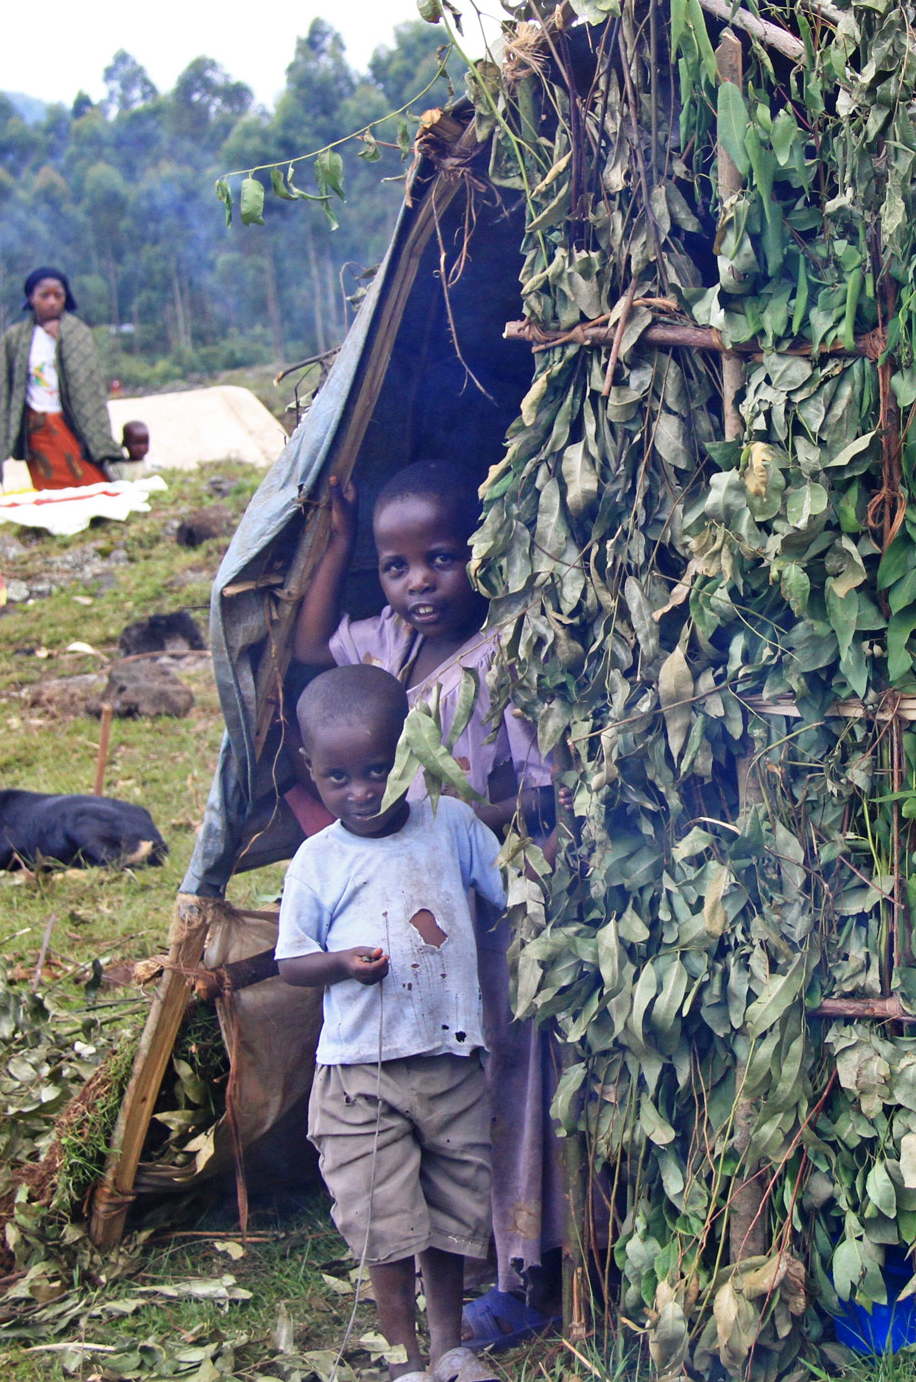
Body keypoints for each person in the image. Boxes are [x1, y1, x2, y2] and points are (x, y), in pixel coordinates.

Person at [291, 458, 564, 1350]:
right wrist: (332, 545)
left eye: (440, 559)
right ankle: (460, 1272)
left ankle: (523, 1266)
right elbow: (305, 657)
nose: (419, 584)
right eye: (396, 567)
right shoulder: (382, 652)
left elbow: (538, 795)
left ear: (481, 555)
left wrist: (439, 820)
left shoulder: (506, 660)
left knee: (502, 1082)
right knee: (431, 1089)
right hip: (406, 940)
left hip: (485, 919)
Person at [276, 665, 504, 1382]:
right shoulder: (318, 860)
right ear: (311, 772)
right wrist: (342, 962)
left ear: (412, 750)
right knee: (386, 1223)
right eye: (339, 778)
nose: (362, 792)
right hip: (359, 1074)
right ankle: (402, 1358)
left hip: (450, 1059)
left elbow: (513, 888)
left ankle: (449, 1347)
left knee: (450, 1213)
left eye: (379, 770)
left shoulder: (451, 825)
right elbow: (291, 961)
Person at [0, 268, 123, 491]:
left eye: (58, 295)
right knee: (50, 482)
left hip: (74, 422)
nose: (52, 302)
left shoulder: (77, 333)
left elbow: (89, 383)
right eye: (45, 295)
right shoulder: (15, 338)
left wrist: (59, 340)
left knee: (91, 480)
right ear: (31, 299)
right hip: (37, 422)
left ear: (66, 298)